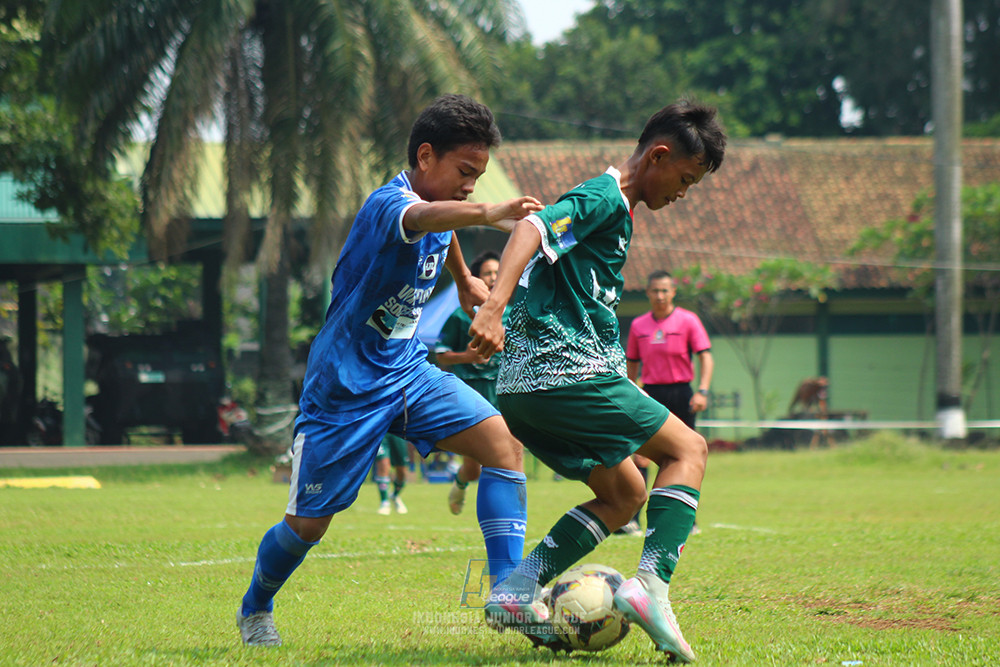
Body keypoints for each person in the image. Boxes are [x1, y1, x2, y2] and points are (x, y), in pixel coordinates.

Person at [236, 94, 543, 647]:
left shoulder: (437, 200)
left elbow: (439, 228)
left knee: (504, 447)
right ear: (425, 156)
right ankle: (256, 606)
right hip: (345, 387)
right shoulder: (388, 204)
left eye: (479, 178)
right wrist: (488, 213)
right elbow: (422, 218)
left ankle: (506, 594)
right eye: (465, 172)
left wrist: (466, 278)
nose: (472, 185)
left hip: (406, 372)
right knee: (308, 526)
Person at [470, 100, 726, 662]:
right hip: (568, 378)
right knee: (689, 449)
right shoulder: (606, 196)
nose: (683, 193)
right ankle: (651, 590)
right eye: (684, 179)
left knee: (626, 492)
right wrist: (493, 309)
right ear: (658, 155)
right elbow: (532, 228)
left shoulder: (621, 210)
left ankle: (516, 589)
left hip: (523, 392)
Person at [622, 270, 714, 535]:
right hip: (650, 395)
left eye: (665, 291)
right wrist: (629, 396)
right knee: (640, 456)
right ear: (648, 293)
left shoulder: (689, 321)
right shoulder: (639, 326)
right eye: (655, 291)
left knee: (687, 457)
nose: (660, 296)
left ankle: (687, 520)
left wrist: (703, 392)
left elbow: (706, 357)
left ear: (673, 292)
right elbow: (632, 364)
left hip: (682, 395)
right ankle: (632, 520)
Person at [434, 250, 503, 515]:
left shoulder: (509, 315)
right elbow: (441, 354)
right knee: (474, 468)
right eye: (487, 273)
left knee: (506, 455)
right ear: (475, 279)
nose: (494, 278)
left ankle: (500, 516)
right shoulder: (460, 317)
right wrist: (467, 356)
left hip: (501, 392)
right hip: (471, 394)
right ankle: (462, 480)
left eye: (498, 273)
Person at [373, 433, 411, 515]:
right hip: (381, 431)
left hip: (398, 432)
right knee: (383, 465)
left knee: (402, 471)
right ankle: (384, 502)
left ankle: (395, 495)